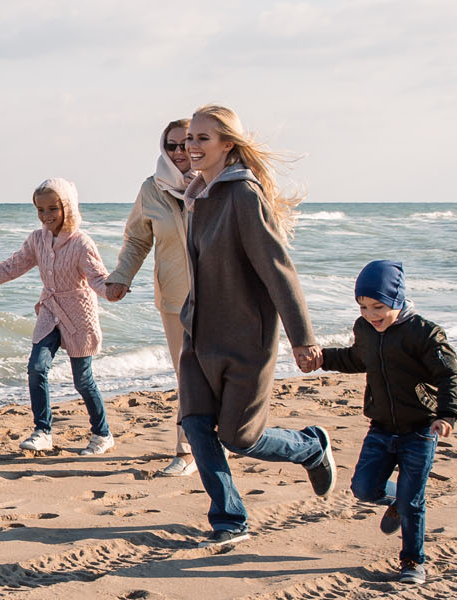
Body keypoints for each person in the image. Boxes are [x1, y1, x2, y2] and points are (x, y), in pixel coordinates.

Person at [176, 104, 333, 549]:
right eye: (189, 138)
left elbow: (278, 269)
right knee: (195, 424)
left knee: (240, 437)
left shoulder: (244, 194)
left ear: (228, 144)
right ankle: (230, 519)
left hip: (245, 339)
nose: (192, 146)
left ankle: (310, 447)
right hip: (198, 336)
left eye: (203, 138)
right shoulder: (196, 195)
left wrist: (302, 338)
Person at [317, 260, 457, 584]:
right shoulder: (365, 329)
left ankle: (413, 561)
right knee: (363, 488)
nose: (371, 314)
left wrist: (447, 414)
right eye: (363, 307)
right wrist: (323, 358)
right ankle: (397, 498)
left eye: (378, 307)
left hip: (420, 430)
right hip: (381, 427)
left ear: (397, 300)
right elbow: (357, 358)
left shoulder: (424, 334)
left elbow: (449, 375)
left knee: (413, 503)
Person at [0, 179, 113, 456]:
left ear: (67, 207)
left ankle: (102, 434)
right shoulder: (37, 239)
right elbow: (11, 268)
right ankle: (43, 431)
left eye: (52, 209)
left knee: (82, 380)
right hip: (50, 310)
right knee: (36, 367)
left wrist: (112, 290)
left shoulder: (81, 243)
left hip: (79, 314)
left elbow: (98, 278)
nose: (46, 216)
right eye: (40, 210)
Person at [105, 118, 198, 476]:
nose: (179, 152)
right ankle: (187, 450)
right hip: (175, 300)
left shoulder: (219, 183)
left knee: (221, 375)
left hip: (223, 297)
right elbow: (137, 239)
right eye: (171, 145)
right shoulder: (152, 189)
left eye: (186, 143)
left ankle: (217, 438)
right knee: (187, 375)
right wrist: (121, 278)